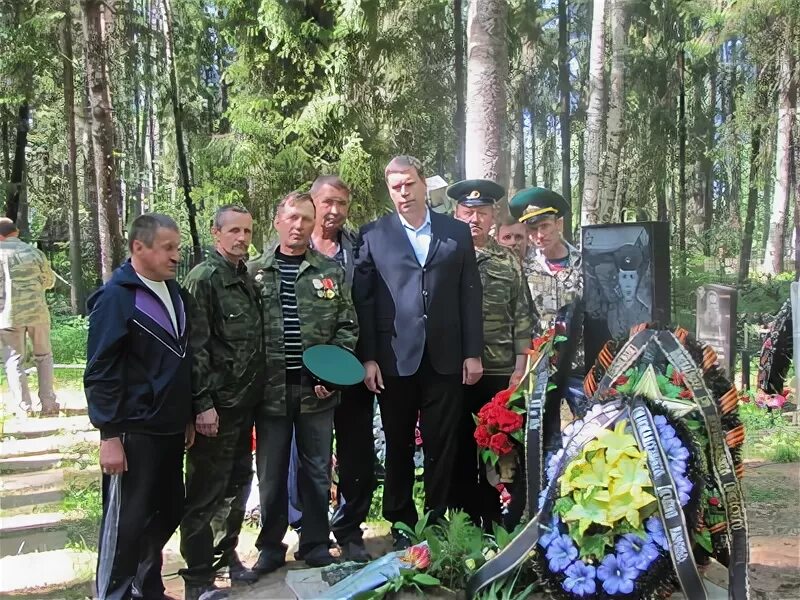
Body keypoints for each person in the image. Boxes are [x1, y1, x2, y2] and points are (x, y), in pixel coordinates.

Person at [352, 155, 483, 547]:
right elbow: (365, 300)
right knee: (398, 445)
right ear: (389, 192)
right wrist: (369, 357)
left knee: (443, 444)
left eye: (409, 184)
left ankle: (436, 519)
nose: (404, 193)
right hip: (395, 359)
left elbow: (469, 294)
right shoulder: (374, 235)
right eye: (395, 187)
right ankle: (401, 522)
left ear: (424, 184)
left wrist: (472, 352)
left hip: (446, 357)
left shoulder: (455, 233)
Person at [85, 214, 193, 600]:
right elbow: (101, 370)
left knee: (170, 509)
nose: (176, 255)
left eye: (177, 248)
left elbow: (183, 360)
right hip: (133, 430)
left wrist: (187, 414)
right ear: (138, 248)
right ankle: (113, 593)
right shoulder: (116, 298)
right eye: (168, 248)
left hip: (169, 426)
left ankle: (146, 586)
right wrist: (109, 435)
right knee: (127, 521)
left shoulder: (176, 293)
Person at [249, 192, 358, 573]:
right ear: (277, 221)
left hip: (317, 391)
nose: (298, 226)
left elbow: (347, 325)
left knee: (316, 470)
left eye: (306, 220)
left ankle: (314, 543)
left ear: (314, 226)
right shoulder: (254, 273)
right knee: (271, 472)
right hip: (271, 392)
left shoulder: (329, 272)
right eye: (292, 218)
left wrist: (332, 375)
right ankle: (270, 547)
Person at [179, 206, 263, 600]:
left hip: (243, 404)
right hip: (216, 408)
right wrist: (202, 404)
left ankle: (225, 556)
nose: (241, 238)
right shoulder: (205, 279)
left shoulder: (243, 276)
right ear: (216, 234)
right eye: (233, 231)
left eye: (246, 231)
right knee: (205, 493)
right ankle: (197, 578)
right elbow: (195, 347)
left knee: (237, 486)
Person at [449, 179, 535, 529]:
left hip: (499, 370)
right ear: (456, 213)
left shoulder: (507, 261)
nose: (474, 219)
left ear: (493, 216)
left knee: (497, 445)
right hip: (452, 369)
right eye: (468, 212)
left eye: (482, 213)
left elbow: (522, 315)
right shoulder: (444, 255)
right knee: (457, 445)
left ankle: (496, 515)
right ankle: (459, 516)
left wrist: (520, 366)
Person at [309, 175, 376, 562]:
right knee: (311, 456)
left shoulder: (359, 248)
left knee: (357, 454)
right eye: (328, 202)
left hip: (353, 368)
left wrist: (368, 359)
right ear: (313, 202)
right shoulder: (292, 247)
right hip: (307, 375)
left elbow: (371, 303)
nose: (335, 211)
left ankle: (350, 529)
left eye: (342, 205)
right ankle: (311, 534)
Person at [509, 188, 585, 445]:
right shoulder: (525, 266)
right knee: (542, 436)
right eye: (532, 230)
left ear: (559, 223)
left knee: (584, 433)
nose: (539, 236)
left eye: (544, 226)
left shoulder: (584, 263)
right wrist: (521, 367)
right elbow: (521, 317)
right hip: (540, 366)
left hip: (580, 365)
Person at [0, 218, 59, 417]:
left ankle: (24, 409)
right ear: (15, 232)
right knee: (44, 357)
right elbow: (49, 282)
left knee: (14, 360)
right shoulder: (35, 252)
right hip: (38, 313)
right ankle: (49, 404)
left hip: (8, 315)